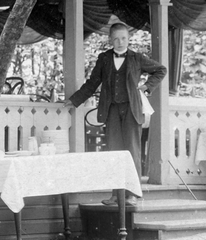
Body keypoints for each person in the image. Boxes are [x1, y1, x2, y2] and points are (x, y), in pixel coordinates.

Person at [66, 20, 166, 206]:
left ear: (128, 39)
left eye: (124, 38)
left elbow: (161, 70)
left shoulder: (137, 58)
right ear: (110, 40)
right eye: (116, 39)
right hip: (111, 109)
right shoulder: (104, 59)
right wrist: (74, 100)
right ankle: (116, 195)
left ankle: (133, 193)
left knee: (132, 151)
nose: (120, 42)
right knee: (114, 152)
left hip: (132, 110)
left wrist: (147, 86)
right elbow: (92, 83)